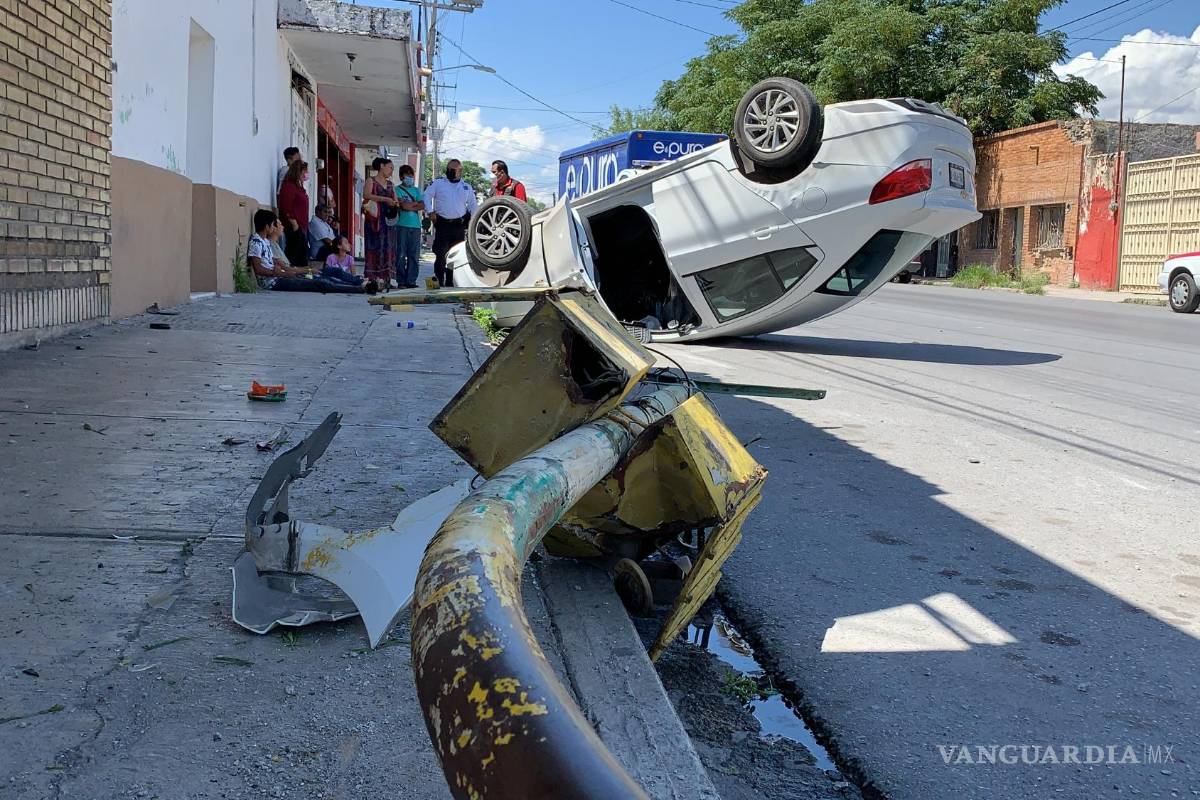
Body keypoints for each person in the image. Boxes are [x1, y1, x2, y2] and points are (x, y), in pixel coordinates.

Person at [247, 210, 374, 294]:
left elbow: (275, 263)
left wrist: (284, 267)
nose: (274, 227)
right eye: (273, 225)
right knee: (320, 283)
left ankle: (359, 285)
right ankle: (359, 289)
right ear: (267, 226)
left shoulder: (265, 242)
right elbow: (258, 269)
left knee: (325, 277)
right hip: (272, 282)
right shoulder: (256, 242)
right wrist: (277, 272)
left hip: (281, 275)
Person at [426, 159, 478, 287]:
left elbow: (473, 205)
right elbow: (426, 196)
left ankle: (450, 282)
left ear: (460, 171)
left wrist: (473, 221)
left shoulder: (466, 187)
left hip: (459, 225)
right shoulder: (438, 183)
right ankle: (439, 280)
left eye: (454, 170)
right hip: (442, 224)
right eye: (449, 169)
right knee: (440, 254)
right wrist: (430, 211)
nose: (451, 172)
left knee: (455, 255)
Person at [363, 157, 400, 289]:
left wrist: (395, 203)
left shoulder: (390, 184)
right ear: (381, 166)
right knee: (373, 246)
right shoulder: (371, 180)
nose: (391, 171)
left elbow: (395, 200)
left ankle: (386, 278)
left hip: (388, 220)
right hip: (374, 220)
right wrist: (385, 199)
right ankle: (372, 277)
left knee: (388, 247)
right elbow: (366, 195)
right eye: (390, 168)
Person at [394, 163, 425, 289]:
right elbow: (403, 206)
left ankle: (411, 280)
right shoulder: (397, 190)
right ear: (401, 177)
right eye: (407, 175)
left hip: (416, 226)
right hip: (402, 225)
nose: (410, 178)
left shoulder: (416, 190)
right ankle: (401, 280)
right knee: (401, 254)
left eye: (411, 175)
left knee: (414, 255)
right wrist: (414, 204)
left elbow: (422, 205)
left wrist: (409, 205)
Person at [277, 160, 311, 266]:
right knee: (295, 255)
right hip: (294, 227)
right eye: (304, 171)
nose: (306, 174)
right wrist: (294, 223)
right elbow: (286, 206)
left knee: (302, 254)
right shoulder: (289, 186)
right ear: (298, 172)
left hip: (302, 226)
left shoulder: (299, 187)